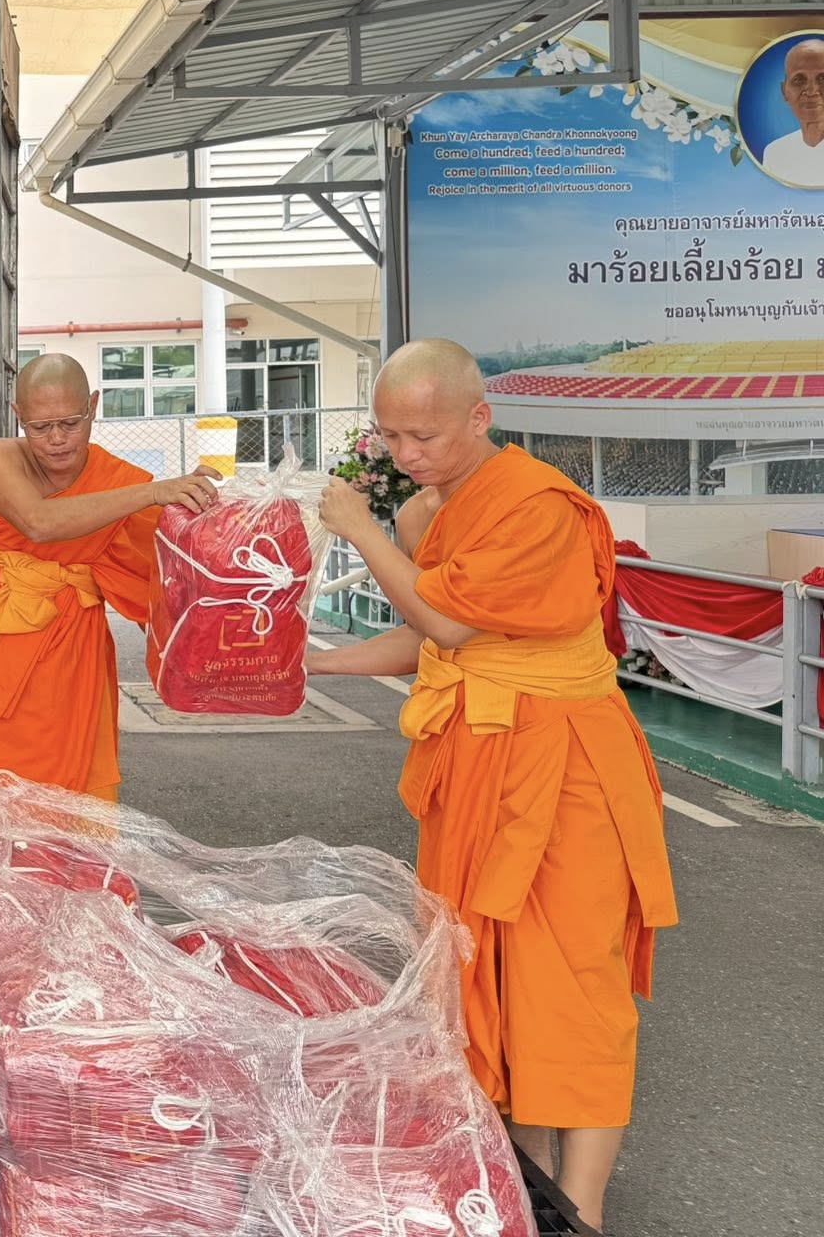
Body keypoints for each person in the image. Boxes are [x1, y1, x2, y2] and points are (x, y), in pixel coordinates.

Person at [308, 337, 678, 1231]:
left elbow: (450, 621)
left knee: (574, 982)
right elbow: (427, 641)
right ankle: (526, 1171)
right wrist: (317, 663)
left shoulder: (537, 507)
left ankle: (581, 1209)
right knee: (476, 972)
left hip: (567, 767)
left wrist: (357, 528)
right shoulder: (419, 519)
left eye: (426, 436)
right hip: (476, 759)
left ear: (481, 415)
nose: (406, 456)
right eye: (392, 437)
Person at [0, 354, 220, 805]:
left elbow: (173, 564)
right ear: (17, 417)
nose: (55, 440)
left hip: (75, 653)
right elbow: (39, 522)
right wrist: (152, 493)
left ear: (93, 406)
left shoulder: (112, 481)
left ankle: (78, 877)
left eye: (70, 423)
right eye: (39, 426)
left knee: (77, 790)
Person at [759, 35, 824, 188]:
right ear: (784, 92)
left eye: (823, 78)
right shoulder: (775, 153)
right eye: (799, 80)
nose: (812, 91)